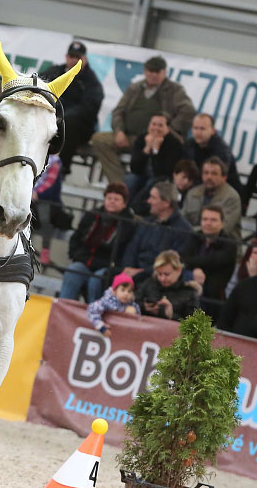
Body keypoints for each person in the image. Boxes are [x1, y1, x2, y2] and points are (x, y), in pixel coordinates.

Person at [89, 56, 195, 183]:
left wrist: (167, 130)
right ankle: (119, 185)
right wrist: (119, 131)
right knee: (100, 140)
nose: (153, 75)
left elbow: (188, 112)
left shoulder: (174, 90)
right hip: (130, 138)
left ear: (164, 73)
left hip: (158, 140)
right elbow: (118, 111)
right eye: (151, 71)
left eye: (158, 72)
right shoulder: (135, 88)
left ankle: (141, 186)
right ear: (145, 71)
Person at [60, 182, 136, 302]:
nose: (112, 201)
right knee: (73, 271)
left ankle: (95, 314)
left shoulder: (129, 224)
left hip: (108, 267)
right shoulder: (92, 215)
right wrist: (75, 255)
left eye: (116, 199)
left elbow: (125, 251)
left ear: (124, 203)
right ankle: (63, 308)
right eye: (109, 198)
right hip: (85, 261)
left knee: (96, 280)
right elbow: (76, 238)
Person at [42, 41, 103, 176]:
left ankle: (61, 168)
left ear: (84, 59)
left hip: (77, 127)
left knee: (69, 125)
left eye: (78, 57)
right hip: (51, 117)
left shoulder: (91, 82)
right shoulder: (54, 72)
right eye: (72, 56)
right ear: (66, 57)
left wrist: (61, 117)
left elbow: (88, 108)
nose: (74, 60)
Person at [120, 181, 193, 283]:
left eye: (153, 197)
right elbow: (132, 248)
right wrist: (127, 268)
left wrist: (142, 271)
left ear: (166, 202)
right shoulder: (146, 222)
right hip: (133, 272)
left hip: (158, 278)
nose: (148, 201)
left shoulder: (184, 229)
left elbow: (174, 262)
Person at [181, 204, 236, 316]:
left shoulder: (230, 244)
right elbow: (182, 257)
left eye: (213, 220)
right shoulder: (195, 236)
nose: (208, 223)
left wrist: (192, 263)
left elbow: (212, 261)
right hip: (189, 285)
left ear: (222, 223)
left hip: (211, 295)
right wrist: (195, 269)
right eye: (205, 219)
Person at [125, 111, 183, 213]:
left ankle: (136, 211)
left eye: (160, 125)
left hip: (162, 178)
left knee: (152, 184)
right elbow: (134, 167)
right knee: (130, 180)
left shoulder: (174, 143)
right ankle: (123, 210)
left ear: (167, 128)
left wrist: (156, 150)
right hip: (141, 174)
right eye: (153, 124)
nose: (156, 128)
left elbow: (164, 171)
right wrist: (147, 148)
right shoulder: (142, 139)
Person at [181, 113, 243, 195]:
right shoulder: (189, 144)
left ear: (212, 130)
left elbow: (215, 177)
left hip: (223, 192)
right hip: (197, 188)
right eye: (195, 128)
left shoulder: (221, 149)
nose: (198, 132)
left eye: (202, 129)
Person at [182, 156, 242, 239]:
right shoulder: (192, 193)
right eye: (206, 173)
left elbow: (223, 229)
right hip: (192, 240)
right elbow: (182, 220)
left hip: (222, 244)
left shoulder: (231, 197)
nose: (209, 177)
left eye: (214, 173)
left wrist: (191, 231)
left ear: (224, 178)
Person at [135, 250, 200, 321]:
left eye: (167, 274)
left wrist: (172, 316)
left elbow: (194, 326)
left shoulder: (189, 293)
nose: (162, 279)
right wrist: (143, 307)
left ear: (179, 271)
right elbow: (132, 303)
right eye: (159, 274)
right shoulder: (149, 284)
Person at [86, 272, 140, 337]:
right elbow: (92, 310)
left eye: (129, 291)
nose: (126, 293)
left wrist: (134, 314)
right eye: (123, 290)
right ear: (114, 291)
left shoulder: (133, 305)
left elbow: (139, 322)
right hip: (107, 335)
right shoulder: (107, 301)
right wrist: (101, 327)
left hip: (123, 337)